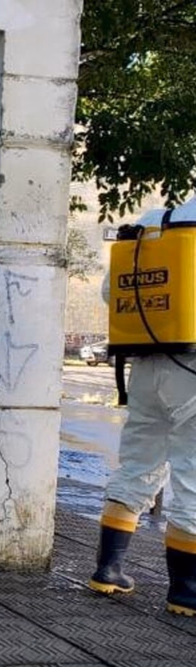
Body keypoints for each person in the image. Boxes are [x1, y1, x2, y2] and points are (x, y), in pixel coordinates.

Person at [89, 202, 196, 618]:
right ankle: (186, 591)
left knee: (137, 465)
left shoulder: (155, 220)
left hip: (148, 365)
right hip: (192, 366)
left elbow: (108, 292)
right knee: (191, 471)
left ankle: (107, 569)